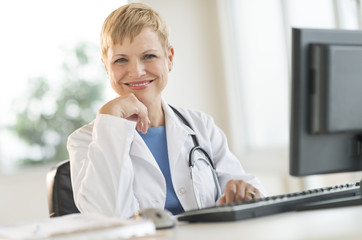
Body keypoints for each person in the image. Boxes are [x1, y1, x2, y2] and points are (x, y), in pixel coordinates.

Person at [67, 2, 266, 218]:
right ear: (107, 67)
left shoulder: (201, 127)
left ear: (169, 58)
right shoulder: (84, 141)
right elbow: (106, 218)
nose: (136, 71)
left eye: (149, 56)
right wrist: (109, 122)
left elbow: (250, 192)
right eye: (121, 60)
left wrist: (244, 193)